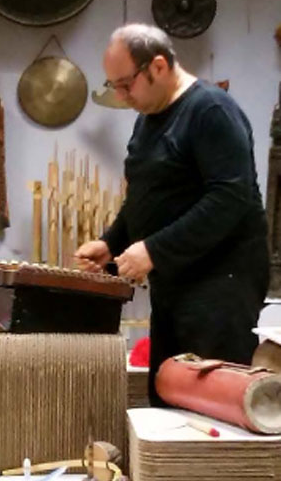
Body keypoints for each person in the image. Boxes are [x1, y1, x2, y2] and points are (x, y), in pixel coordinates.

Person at [75, 23, 269, 406]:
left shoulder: (211, 110)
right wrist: (111, 242)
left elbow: (230, 197)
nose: (121, 96)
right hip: (174, 285)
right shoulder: (148, 119)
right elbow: (145, 197)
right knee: (168, 397)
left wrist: (154, 250)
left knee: (211, 407)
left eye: (126, 84)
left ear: (159, 66)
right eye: (114, 85)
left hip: (220, 287)